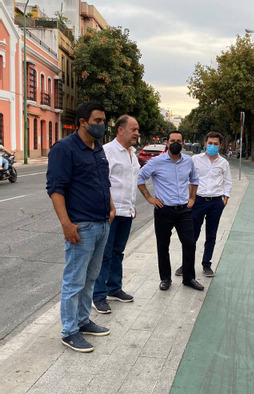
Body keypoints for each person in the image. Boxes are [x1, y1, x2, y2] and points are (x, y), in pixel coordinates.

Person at [46, 102, 115, 353]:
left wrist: (111, 207)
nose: (102, 125)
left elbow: (103, 181)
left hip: (101, 223)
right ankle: (69, 331)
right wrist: (66, 224)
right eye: (97, 120)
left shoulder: (98, 149)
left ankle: (83, 320)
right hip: (81, 227)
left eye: (103, 120)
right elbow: (55, 189)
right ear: (83, 122)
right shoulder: (65, 149)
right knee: (74, 281)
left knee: (90, 278)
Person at [137, 130, 204, 291]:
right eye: (172, 140)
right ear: (167, 142)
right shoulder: (156, 162)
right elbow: (140, 178)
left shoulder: (188, 161)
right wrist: (149, 198)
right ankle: (165, 279)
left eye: (179, 141)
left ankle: (189, 278)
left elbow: (194, 180)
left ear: (183, 143)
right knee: (163, 245)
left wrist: (192, 198)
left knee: (190, 243)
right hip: (163, 210)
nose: (176, 143)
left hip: (184, 211)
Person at [92, 115, 140, 314]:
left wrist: (132, 205)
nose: (137, 133)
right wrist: (109, 208)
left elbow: (130, 183)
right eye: (133, 129)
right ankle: (98, 295)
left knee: (118, 252)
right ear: (120, 130)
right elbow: (102, 183)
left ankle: (114, 288)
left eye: (138, 130)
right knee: (104, 254)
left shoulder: (133, 153)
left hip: (126, 211)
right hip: (111, 212)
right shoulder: (108, 152)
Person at [175, 132, 232, 278]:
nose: (213, 146)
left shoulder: (223, 163)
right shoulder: (195, 160)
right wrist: (189, 197)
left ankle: (206, 264)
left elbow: (227, 181)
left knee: (211, 235)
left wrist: (225, 198)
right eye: (210, 143)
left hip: (215, 202)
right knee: (191, 235)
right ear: (205, 143)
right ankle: (186, 264)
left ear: (220, 146)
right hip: (197, 201)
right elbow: (186, 178)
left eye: (216, 144)